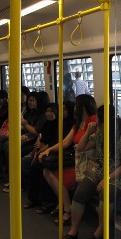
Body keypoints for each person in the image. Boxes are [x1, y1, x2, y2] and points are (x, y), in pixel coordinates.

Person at [59, 105, 121, 239]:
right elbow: (80, 148)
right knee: (80, 192)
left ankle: (100, 231)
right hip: (100, 170)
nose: (95, 121)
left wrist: (108, 178)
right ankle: (74, 230)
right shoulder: (99, 134)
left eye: (98, 118)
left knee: (106, 194)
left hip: (118, 176)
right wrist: (87, 132)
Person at [39, 94, 97, 227]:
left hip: (88, 162)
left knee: (58, 176)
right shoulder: (77, 124)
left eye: (77, 105)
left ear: (83, 106)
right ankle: (66, 205)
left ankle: (67, 210)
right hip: (77, 160)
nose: (74, 108)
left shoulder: (92, 121)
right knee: (47, 171)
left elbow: (93, 144)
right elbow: (65, 142)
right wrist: (49, 150)